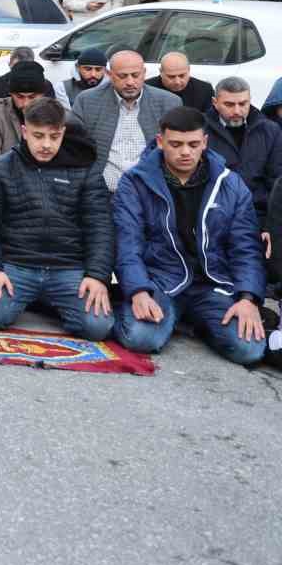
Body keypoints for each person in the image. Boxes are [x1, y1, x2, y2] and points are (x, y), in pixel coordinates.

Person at [112, 106, 267, 365]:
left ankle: (198, 322)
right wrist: (138, 290)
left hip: (213, 284)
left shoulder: (229, 183)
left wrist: (248, 298)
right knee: (141, 339)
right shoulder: (135, 182)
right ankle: (149, 312)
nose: (185, 151)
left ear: (204, 142)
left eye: (193, 144)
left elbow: (245, 247)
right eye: (176, 144)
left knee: (249, 350)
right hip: (160, 281)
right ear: (160, 142)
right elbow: (128, 243)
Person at [0, 98, 115, 339]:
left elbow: (100, 226)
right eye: (38, 136)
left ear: (63, 133)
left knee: (98, 327)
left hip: (68, 267)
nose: (46, 144)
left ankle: (50, 300)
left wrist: (97, 276)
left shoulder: (85, 168)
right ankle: (35, 299)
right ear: (24, 131)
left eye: (54, 136)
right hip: (16, 265)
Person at [72, 50, 179, 193]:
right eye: (122, 76)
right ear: (109, 75)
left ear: (144, 73)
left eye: (135, 75)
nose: (130, 82)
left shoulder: (168, 102)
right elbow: (76, 147)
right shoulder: (87, 101)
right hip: (102, 192)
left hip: (151, 191)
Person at [202, 76, 282, 220]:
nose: (237, 111)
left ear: (250, 100)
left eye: (243, 103)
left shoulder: (270, 130)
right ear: (215, 102)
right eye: (229, 104)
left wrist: (270, 225)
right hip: (213, 213)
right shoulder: (199, 130)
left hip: (258, 214)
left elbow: (276, 180)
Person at [0, 61, 49, 162]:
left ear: (42, 95)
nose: (26, 103)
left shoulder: (56, 116)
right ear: (11, 93)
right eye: (20, 97)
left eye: (32, 97)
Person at [145, 51, 215, 113]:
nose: (177, 82)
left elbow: (209, 122)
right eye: (171, 77)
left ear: (189, 70)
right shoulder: (146, 89)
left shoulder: (204, 90)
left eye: (182, 76)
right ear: (161, 72)